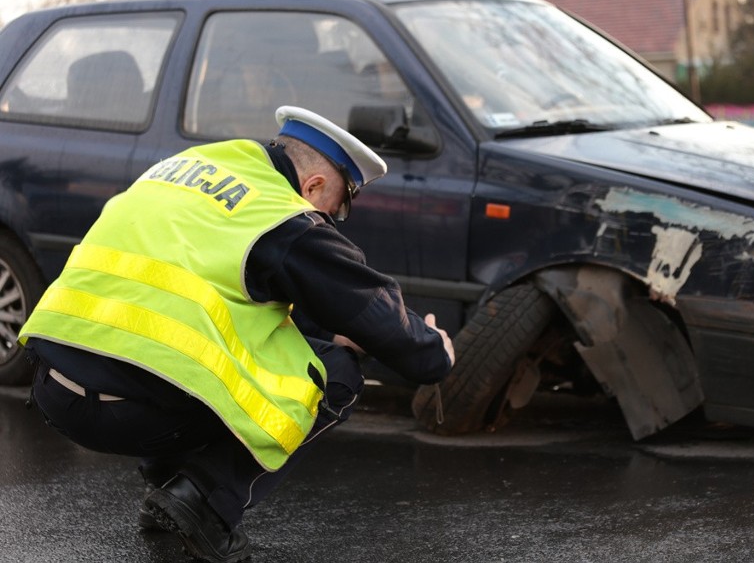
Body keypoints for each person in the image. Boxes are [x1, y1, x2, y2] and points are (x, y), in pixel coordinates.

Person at [19, 106, 455, 563]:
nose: (334, 218)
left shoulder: (187, 167)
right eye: (341, 206)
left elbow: (228, 292)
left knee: (197, 354)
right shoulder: (284, 216)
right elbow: (380, 315)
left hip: (53, 390)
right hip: (132, 412)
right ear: (315, 187)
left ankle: (169, 486)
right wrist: (436, 352)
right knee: (335, 373)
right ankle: (204, 502)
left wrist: (331, 330)